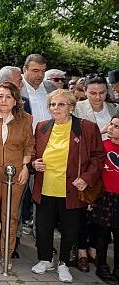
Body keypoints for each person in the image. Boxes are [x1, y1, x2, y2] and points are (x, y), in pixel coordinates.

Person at [31, 89, 104, 283]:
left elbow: (98, 156)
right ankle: (45, 259)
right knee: (43, 227)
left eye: (61, 104)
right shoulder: (41, 127)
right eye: (53, 104)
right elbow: (32, 152)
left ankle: (64, 262)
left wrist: (87, 178)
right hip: (46, 186)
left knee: (70, 229)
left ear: (71, 107)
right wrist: (34, 163)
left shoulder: (87, 128)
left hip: (72, 188)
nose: (56, 108)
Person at [0, 82, 34, 269]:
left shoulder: (26, 119)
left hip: (16, 173)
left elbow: (29, 145)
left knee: (10, 215)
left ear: (15, 100)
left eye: (8, 97)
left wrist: (26, 167)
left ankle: (7, 254)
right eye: (0, 96)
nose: (4, 100)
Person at [73, 75, 118, 271]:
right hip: (86, 166)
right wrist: (103, 131)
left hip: (108, 167)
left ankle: (94, 249)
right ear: (85, 92)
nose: (97, 97)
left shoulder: (113, 109)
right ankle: (81, 251)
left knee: (103, 216)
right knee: (83, 210)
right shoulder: (77, 108)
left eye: (101, 93)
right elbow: (76, 137)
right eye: (92, 93)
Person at [91, 114, 119, 284]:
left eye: (116, 126)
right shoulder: (103, 147)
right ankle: (101, 266)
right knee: (102, 233)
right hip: (104, 196)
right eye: (111, 124)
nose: (111, 128)